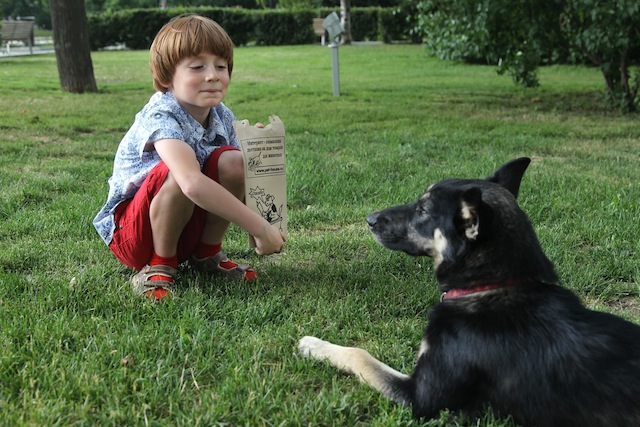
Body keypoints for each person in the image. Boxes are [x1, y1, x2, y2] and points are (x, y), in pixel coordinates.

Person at [93, 14, 285, 300]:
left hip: (187, 225)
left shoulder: (221, 114)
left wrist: (254, 155)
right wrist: (260, 228)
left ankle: (207, 255)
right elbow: (191, 184)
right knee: (179, 171)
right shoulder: (161, 115)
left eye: (221, 66)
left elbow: (231, 177)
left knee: (233, 159)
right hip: (135, 234)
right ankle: (160, 264)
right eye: (197, 67)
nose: (213, 75)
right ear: (167, 76)